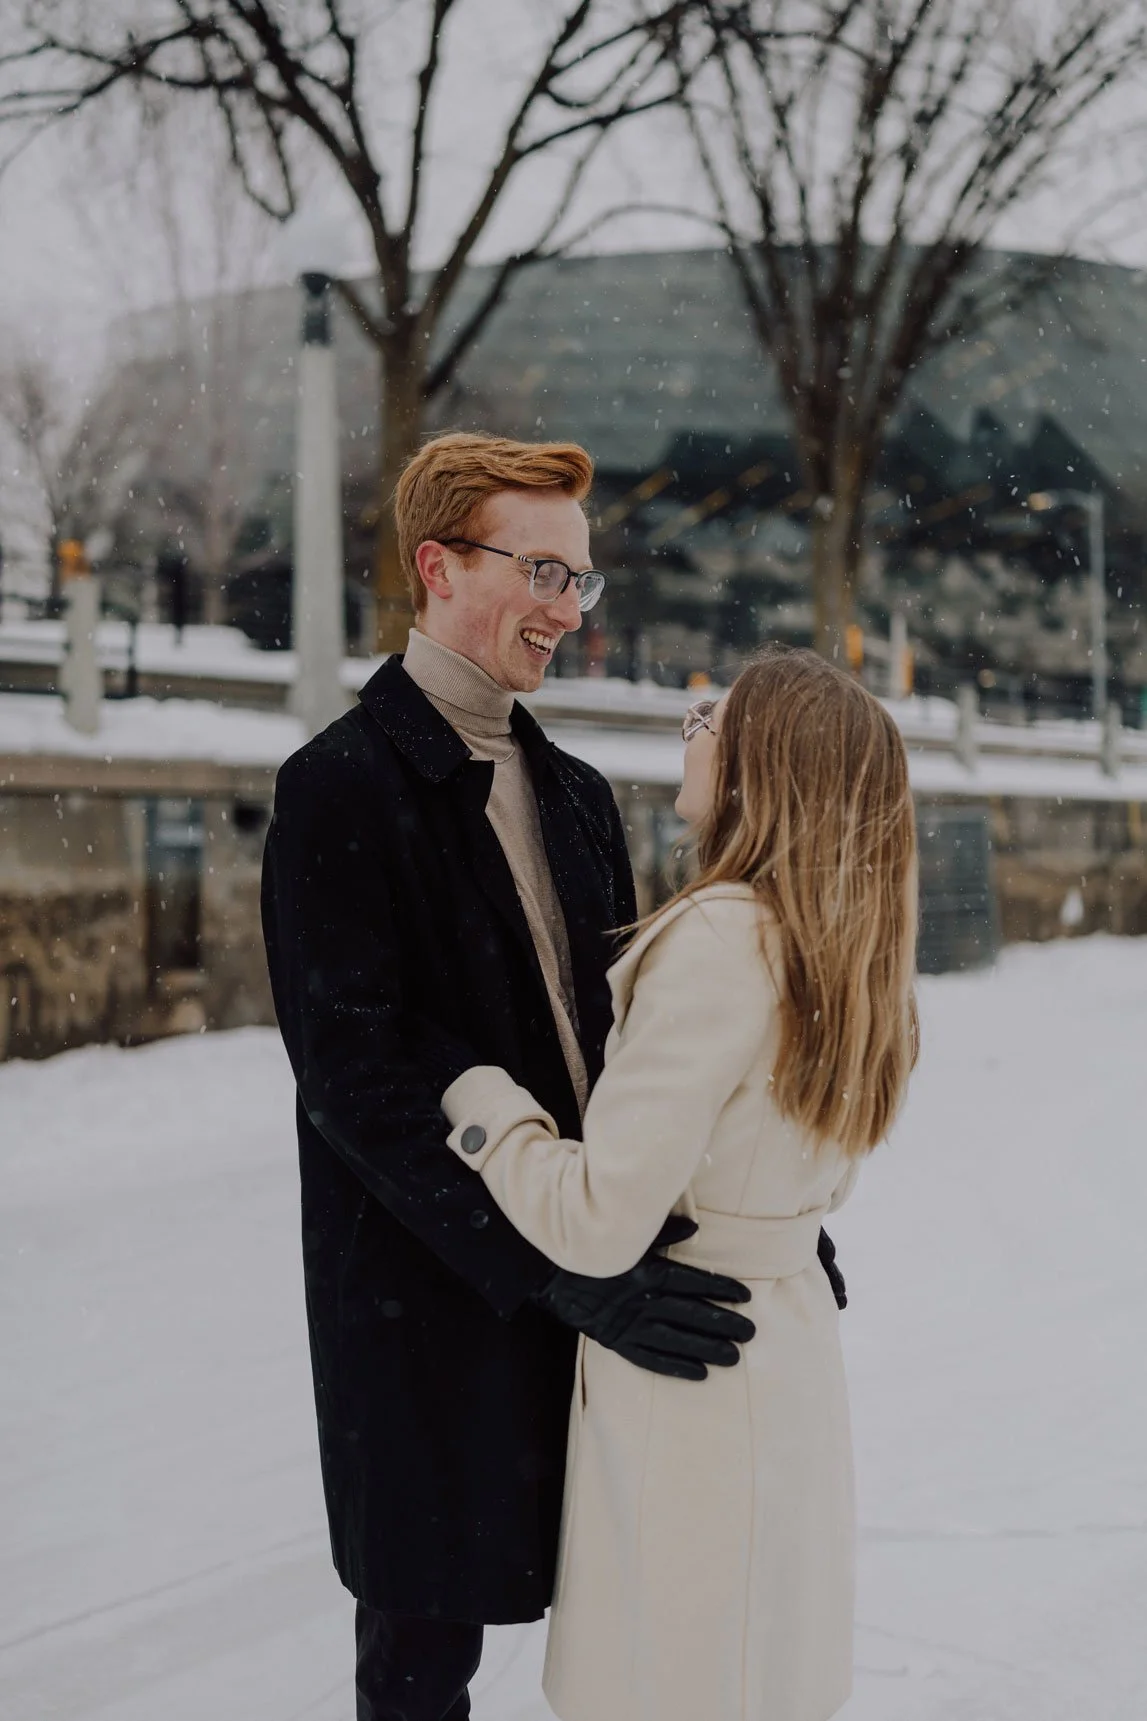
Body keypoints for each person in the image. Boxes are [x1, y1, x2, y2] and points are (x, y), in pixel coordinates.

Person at [261, 432, 774, 1721]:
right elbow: (356, 1078)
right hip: (431, 1305)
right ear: (437, 566)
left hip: (592, 1276)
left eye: (579, 580)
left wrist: (726, 1208)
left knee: (622, 1642)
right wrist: (547, 1269)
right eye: (541, 571)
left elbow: (633, 1047)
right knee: (423, 1665)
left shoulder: (582, 793)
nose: (565, 610)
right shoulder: (336, 788)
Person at [442, 646, 920, 1721]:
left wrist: (483, 1105)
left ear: (766, 767)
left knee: (671, 1679)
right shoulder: (843, 948)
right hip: (781, 1355)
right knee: (757, 1674)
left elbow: (602, 1219)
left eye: (719, 717)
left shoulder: (716, 939)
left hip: (687, 1371)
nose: (693, 721)